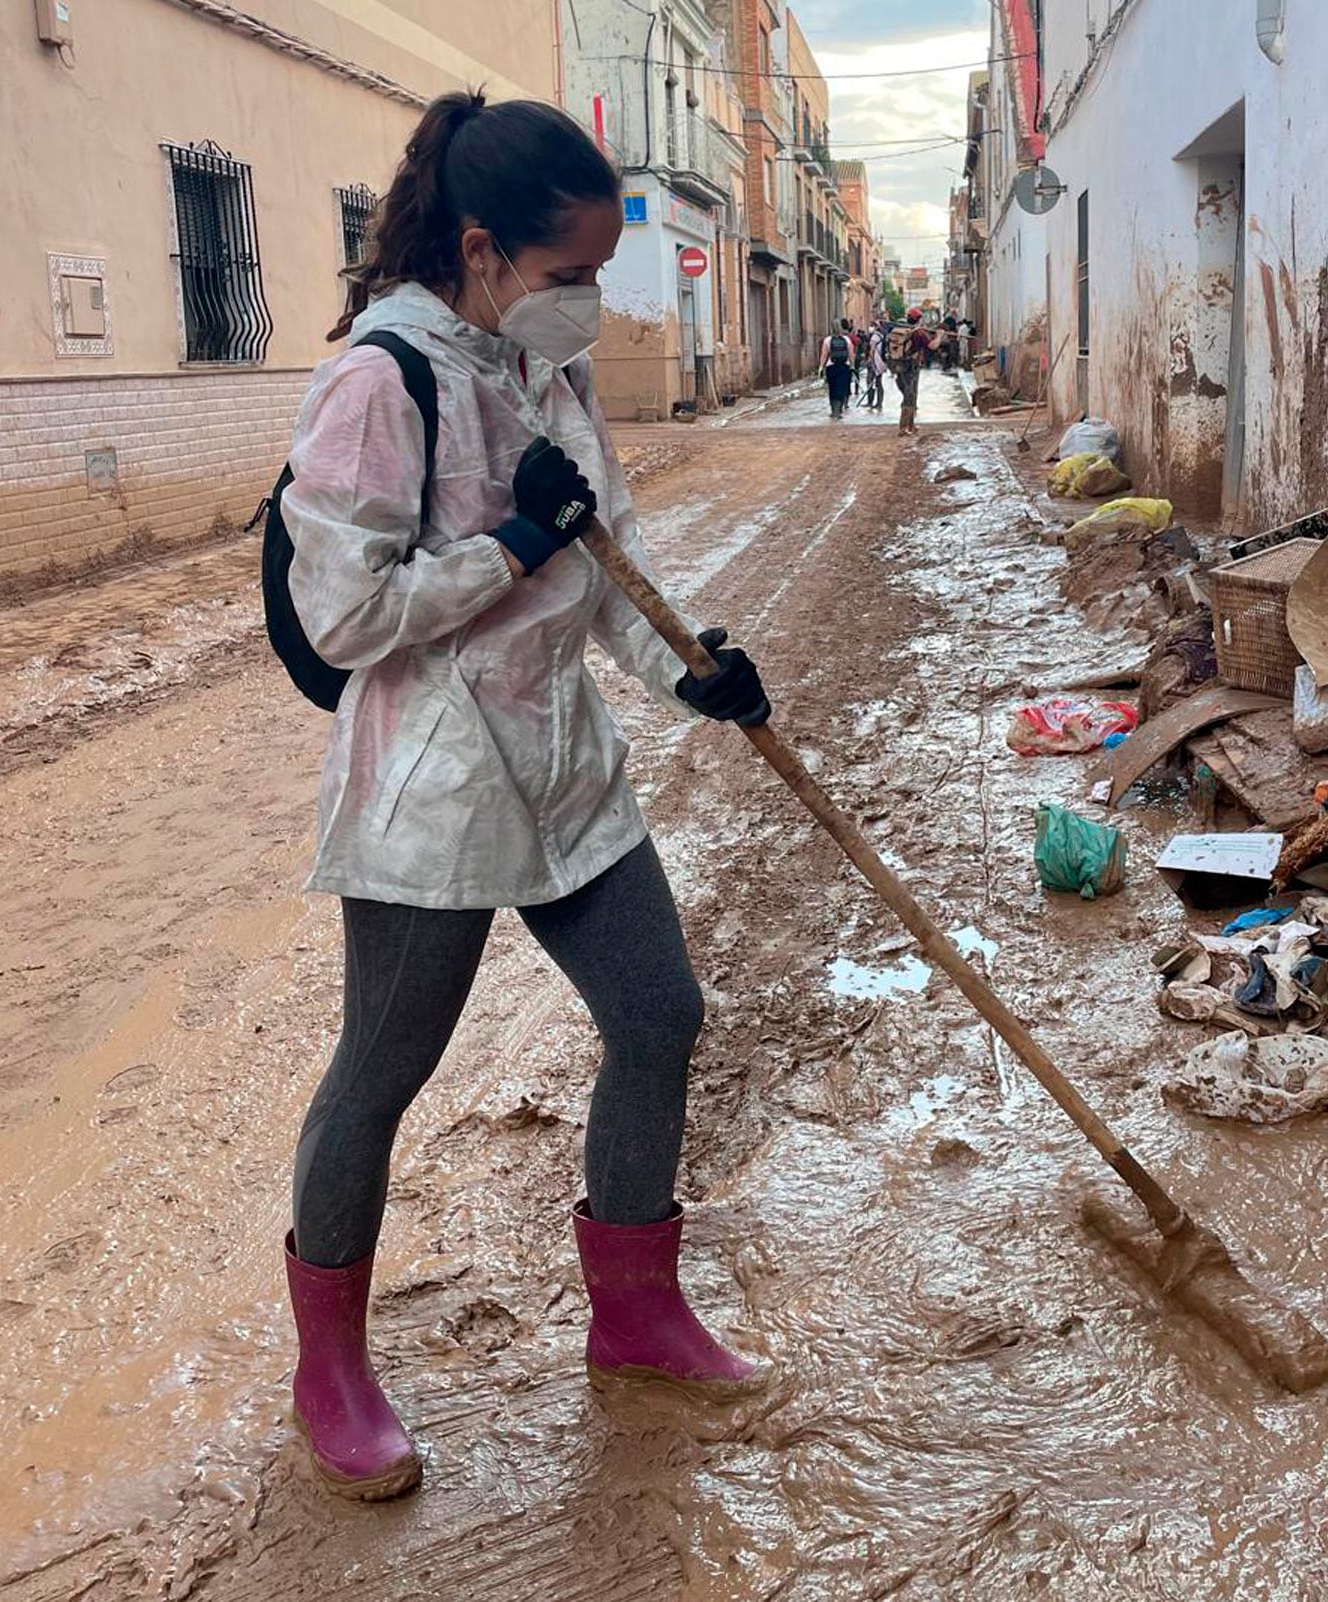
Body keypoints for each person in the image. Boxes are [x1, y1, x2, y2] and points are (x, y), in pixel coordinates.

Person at [279, 90, 772, 1502]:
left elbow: (600, 563)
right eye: (569, 278)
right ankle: (332, 1367)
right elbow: (344, 621)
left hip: (564, 769)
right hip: (431, 786)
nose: (587, 308)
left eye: (597, 279)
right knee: (381, 1075)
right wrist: (502, 540)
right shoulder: (381, 380)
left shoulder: (540, 367)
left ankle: (636, 1312)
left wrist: (696, 671)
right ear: (482, 246)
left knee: (659, 1011)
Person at [886, 308, 935, 436]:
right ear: (918, 319)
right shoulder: (918, 333)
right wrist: (940, 335)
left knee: (910, 395)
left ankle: (911, 425)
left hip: (898, 367)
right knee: (910, 395)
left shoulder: (897, 332)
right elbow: (933, 346)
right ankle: (903, 428)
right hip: (911, 368)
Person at [817, 318, 856, 420]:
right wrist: (852, 366)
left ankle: (833, 411)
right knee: (841, 388)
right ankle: (838, 411)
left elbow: (824, 355)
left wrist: (821, 367)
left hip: (831, 367)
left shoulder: (827, 340)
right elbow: (851, 354)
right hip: (844, 366)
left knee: (832, 388)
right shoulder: (847, 340)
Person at [863, 325, 887, 410]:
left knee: (870, 381)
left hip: (874, 362)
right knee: (878, 383)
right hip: (881, 362)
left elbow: (871, 350)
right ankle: (879, 403)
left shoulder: (874, 337)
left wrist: (869, 360)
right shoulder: (882, 336)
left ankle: (870, 402)